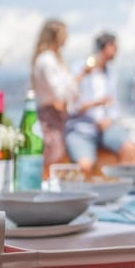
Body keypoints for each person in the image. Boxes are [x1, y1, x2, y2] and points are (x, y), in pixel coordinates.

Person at [64, 31, 135, 176]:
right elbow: (69, 105)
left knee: (129, 149)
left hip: (106, 129)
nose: (117, 51)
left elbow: (115, 104)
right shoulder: (78, 69)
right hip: (81, 130)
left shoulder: (111, 73)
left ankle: (124, 193)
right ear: (107, 46)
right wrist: (95, 102)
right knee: (85, 165)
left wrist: (110, 119)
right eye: (115, 47)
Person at [31, 18, 90, 168]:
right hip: (50, 117)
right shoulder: (47, 60)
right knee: (50, 161)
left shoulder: (51, 59)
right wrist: (81, 75)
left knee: (54, 160)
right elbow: (60, 93)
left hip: (56, 117)